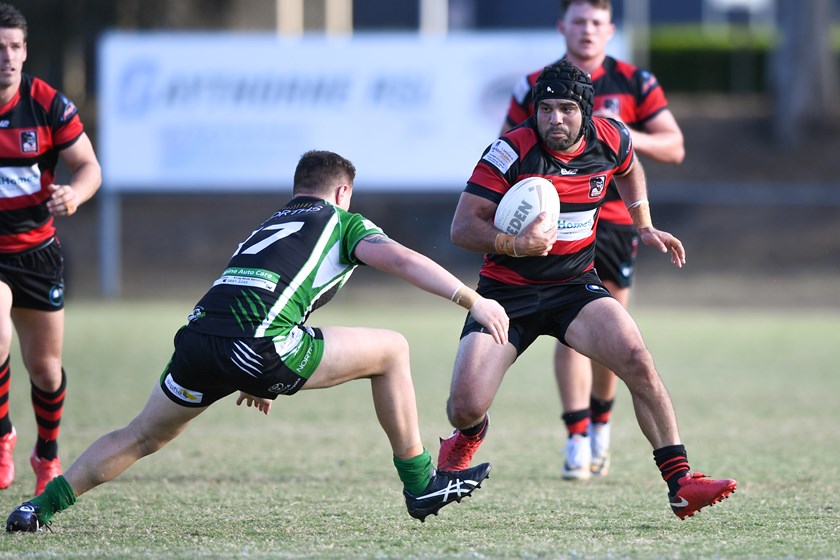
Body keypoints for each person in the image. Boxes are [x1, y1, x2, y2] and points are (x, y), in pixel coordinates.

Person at [6, 150, 508, 532]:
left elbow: (260, 291)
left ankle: (37, 507)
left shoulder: (269, 225)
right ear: (342, 194)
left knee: (141, 436)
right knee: (393, 349)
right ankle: (421, 485)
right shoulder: (341, 222)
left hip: (199, 340)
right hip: (262, 344)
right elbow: (401, 259)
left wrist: (254, 374)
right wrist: (471, 299)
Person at [437, 60, 735, 520]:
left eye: (567, 110)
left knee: (636, 360)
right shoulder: (509, 152)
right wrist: (514, 243)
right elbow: (461, 227)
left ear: (586, 113)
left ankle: (682, 483)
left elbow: (630, 166)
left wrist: (644, 223)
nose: (555, 119)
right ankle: (469, 435)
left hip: (575, 287)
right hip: (507, 294)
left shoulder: (609, 137)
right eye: (547, 109)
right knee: (464, 406)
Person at [500, 0, 686, 480]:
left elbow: (673, 146)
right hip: (554, 219)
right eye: (578, 21)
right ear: (563, 26)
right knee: (570, 323)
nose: (586, 30)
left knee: (611, 325)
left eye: (596, 23)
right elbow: (508, 148)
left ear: (610, 30)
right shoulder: (536, 86)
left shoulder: (635, 82)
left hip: (616, 221)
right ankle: (576, 436)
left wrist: (616, 136)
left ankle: (601, 423)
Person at [0, 3, 102, 496]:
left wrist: (75, 194)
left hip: (38, 252)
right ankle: (2, 438)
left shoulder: (46, 103)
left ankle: (46, 452)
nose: (7, 57)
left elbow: (89, 167)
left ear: (25, 52)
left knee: (45, 369)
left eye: (14, 47)